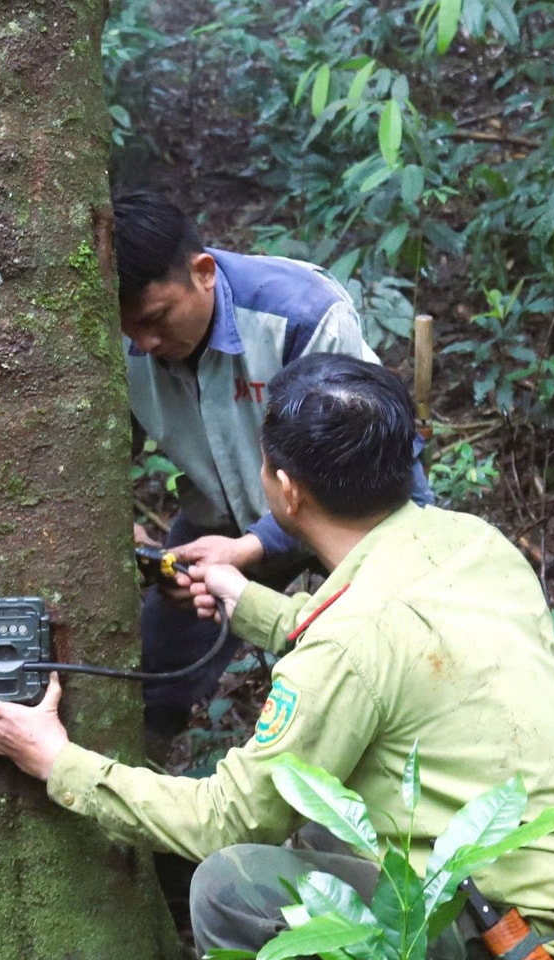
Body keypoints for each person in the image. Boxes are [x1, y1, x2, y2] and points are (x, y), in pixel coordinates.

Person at [0, 354, 554, 960]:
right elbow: (392, 645)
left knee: (228, 883)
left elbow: (231, 819)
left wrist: (59, 761)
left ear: (284, 488)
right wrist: (246, 602)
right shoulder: (473, 544)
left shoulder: (349, 641)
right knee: (310, 830)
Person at [112, 190, 435, 737]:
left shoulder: (299, 315)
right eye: (130, 329)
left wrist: (252, 547)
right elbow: (107, 454)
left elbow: (353, 473)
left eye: (159, 318)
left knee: (411, 649)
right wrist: (127, 533)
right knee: (157, 675)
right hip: (226, 513)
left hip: (357, 509)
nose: (144, 341)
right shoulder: (112, 337)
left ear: (204, 272)